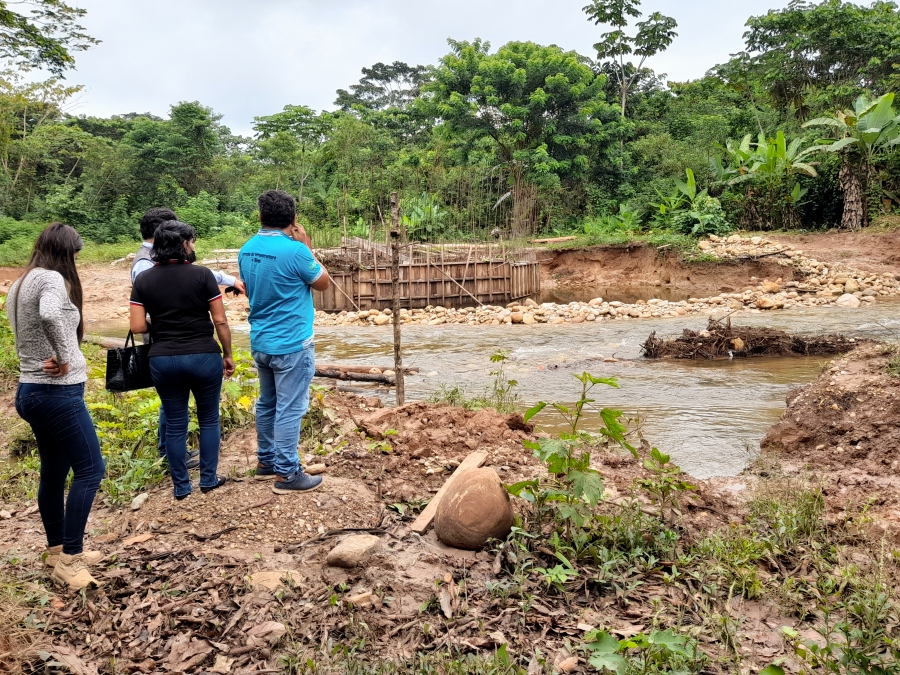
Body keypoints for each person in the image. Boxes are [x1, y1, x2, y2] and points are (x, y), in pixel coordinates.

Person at [8, 223, 106, 590]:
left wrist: (53, 354)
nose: (76, 261)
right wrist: (65, 356)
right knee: (91, 470)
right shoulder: (49, 278)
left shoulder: (20, 283)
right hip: (56, 393)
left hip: (30, 391)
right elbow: (50, 315)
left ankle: (56, 549)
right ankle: (71, 560)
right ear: (65, 253)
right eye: (75, 255)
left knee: (54, 472)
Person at [132, 208, 246, 470]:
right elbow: (220, 321)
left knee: (174, 422)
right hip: (203, 355)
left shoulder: (144, 277)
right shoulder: (201, 274)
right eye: (192, 241)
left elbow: (138, 326)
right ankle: (208, 478)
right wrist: (228, 355)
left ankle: (180, 485)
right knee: (208, 420)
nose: (194, 246)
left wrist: (163, 322)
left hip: (162, 357)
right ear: (182, 243)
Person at [239, 190, 331, 494]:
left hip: (261, 340)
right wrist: (306, 245)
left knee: (267, 403)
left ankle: (266, 461)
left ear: (260, 216)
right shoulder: (296, 251)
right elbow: (322, 282)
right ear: (293, 220)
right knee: (291, 407)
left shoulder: (247, 249)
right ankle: (287, 473)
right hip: (292, 343)